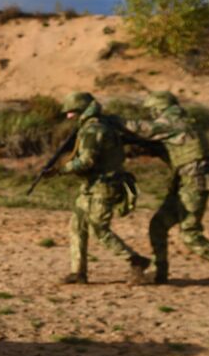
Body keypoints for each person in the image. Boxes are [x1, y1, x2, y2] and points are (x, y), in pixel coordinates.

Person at [129, 90, 209, 288]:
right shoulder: (181, 124)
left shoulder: (174, 122)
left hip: (193, 184)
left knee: (190, 234)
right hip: (183, 184)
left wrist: (112, 121)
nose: (152, 114)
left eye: (153, 110)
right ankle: (160, 273)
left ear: (159, 108)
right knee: (157, 225)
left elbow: (144, 129)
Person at [57, 91, 150, 285]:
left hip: (103, 186)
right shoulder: (94, 126)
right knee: (77, 226)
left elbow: (87, 161)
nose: (68, 116)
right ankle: (78, 272)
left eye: (72, 112)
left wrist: (62, 169)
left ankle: (135, 261)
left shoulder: (93, 130)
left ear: (82, 110)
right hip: (90, 186)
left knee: (99, 229)